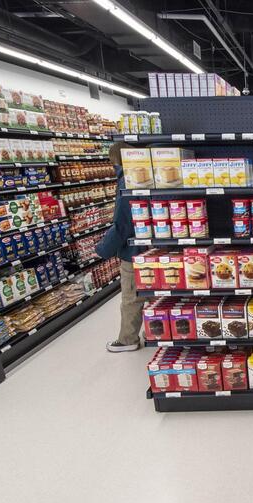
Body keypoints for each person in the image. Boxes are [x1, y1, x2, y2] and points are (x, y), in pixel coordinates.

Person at [96, 141, 145, 352]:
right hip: (152, 246)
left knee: (131, 297)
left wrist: (103, 249)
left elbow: (122, 224)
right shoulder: (147, 174)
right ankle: (156, 329)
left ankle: (127, 340)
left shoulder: (126, 181)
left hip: (134, 251)